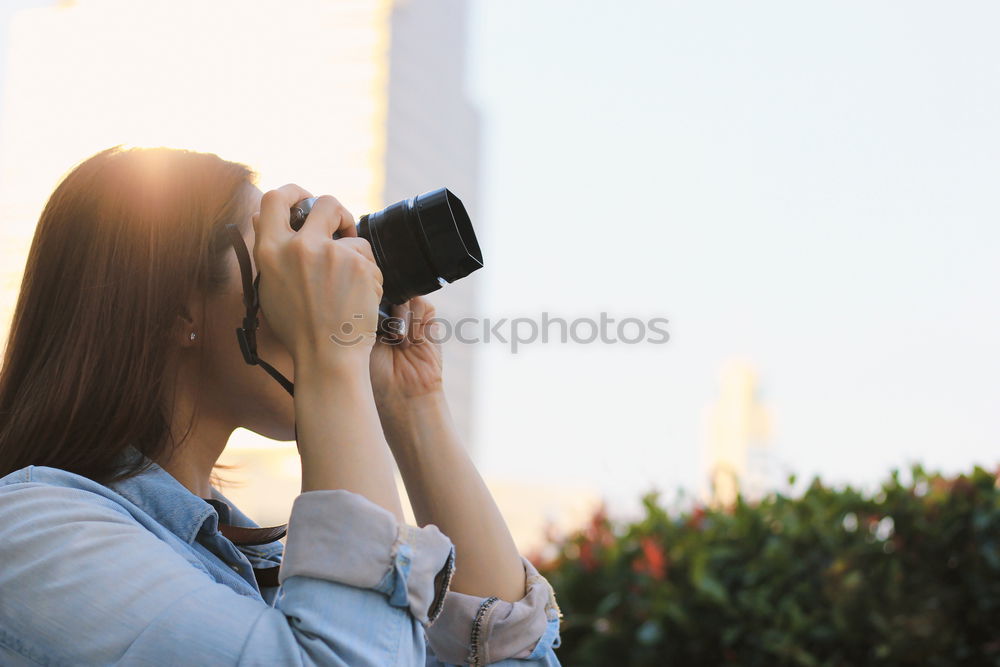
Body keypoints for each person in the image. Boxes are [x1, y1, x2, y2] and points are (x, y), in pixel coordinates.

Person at [0, 146, 563, 665]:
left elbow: (511, 658)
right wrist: (330, 351)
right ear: (179, 308)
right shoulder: (33, 534)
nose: (317, 282)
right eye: (280, 258)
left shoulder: (261, 573)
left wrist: (414, 407)